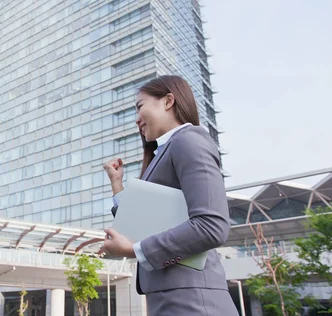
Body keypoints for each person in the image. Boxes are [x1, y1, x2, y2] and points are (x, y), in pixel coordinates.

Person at [102, 75, 238, 315]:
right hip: (172, 295)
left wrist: (135, 250)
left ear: (168, 101)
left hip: (193, 299)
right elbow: (141, 223)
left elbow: (212, 225)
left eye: (140, 106)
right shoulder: (164, 152)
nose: (136, 119)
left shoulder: (188, 141)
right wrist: (117, 185)